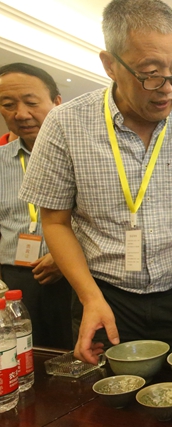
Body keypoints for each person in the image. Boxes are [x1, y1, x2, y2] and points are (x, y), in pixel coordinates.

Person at [19, 0, 172, 364]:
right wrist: (89, 297)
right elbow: (55, 222)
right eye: (150, 73)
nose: (167, 88)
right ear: (110, 65)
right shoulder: (65, 124)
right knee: (106, 392)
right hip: (103, 294)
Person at [0, 62, 73, 349]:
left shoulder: (82, 154)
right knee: (20, 355)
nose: (20, 114)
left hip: (72, 274)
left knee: (73, 356)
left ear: (57, 103)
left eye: (31, 102)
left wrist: (64, 256)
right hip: (13, 280)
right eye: (8, 105)